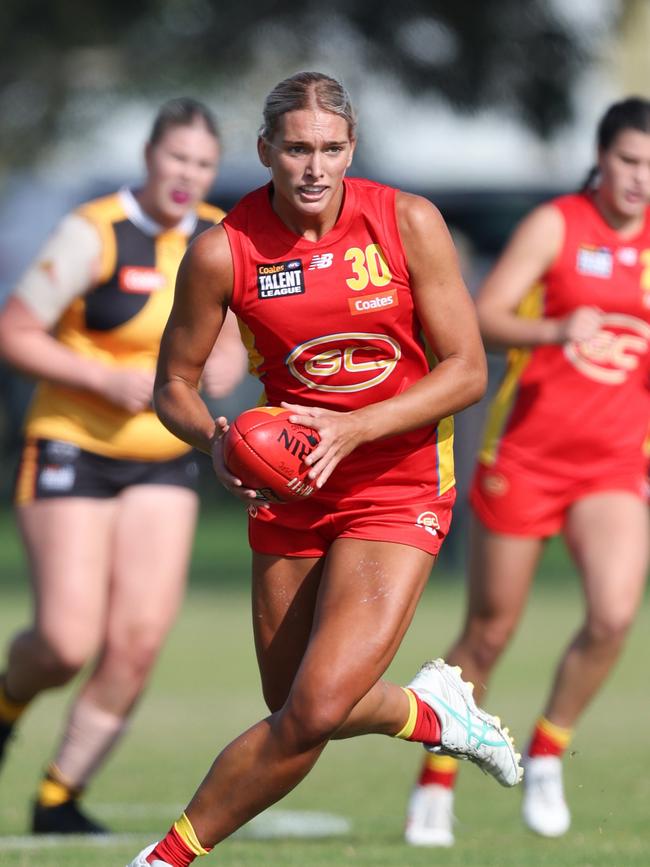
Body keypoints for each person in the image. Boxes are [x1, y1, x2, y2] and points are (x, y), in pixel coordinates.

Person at [127, 70, 523, 867]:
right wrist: (213, 441)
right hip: (291, 486)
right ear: (266, 149)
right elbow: (171, 383)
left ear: (352, 150)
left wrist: (359, 425)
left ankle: (162, 860)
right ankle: (430, 711)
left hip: (398, 481)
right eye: (298, 149)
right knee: (295, 704)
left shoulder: (408, 222)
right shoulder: (222, 252)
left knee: (311, 709)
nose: (314, 167)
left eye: (331, 149)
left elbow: (470, 369)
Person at [405, 96, 650, 847]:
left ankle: (547, 750)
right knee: (488, 632)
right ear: (602, 159)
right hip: (526, 456)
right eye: (630, 162)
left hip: (612, 463)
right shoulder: (557, 224)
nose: (642, 179)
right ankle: (436, 781)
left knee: (613, 615)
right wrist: (555, 328)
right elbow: (485, 314)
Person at [0, 97, 248, 835]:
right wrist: (103, 379)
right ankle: (7, 706)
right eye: (176, 158)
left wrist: (222, 368)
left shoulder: (215, 237)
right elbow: (16, 331)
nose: (187, 174)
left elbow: (231, 346)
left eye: (202, 163)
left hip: (161, 460)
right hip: (72, 444)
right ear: (149, 156)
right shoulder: (95, 230)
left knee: (138, 639)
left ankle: (59, 796)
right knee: (66, 641)